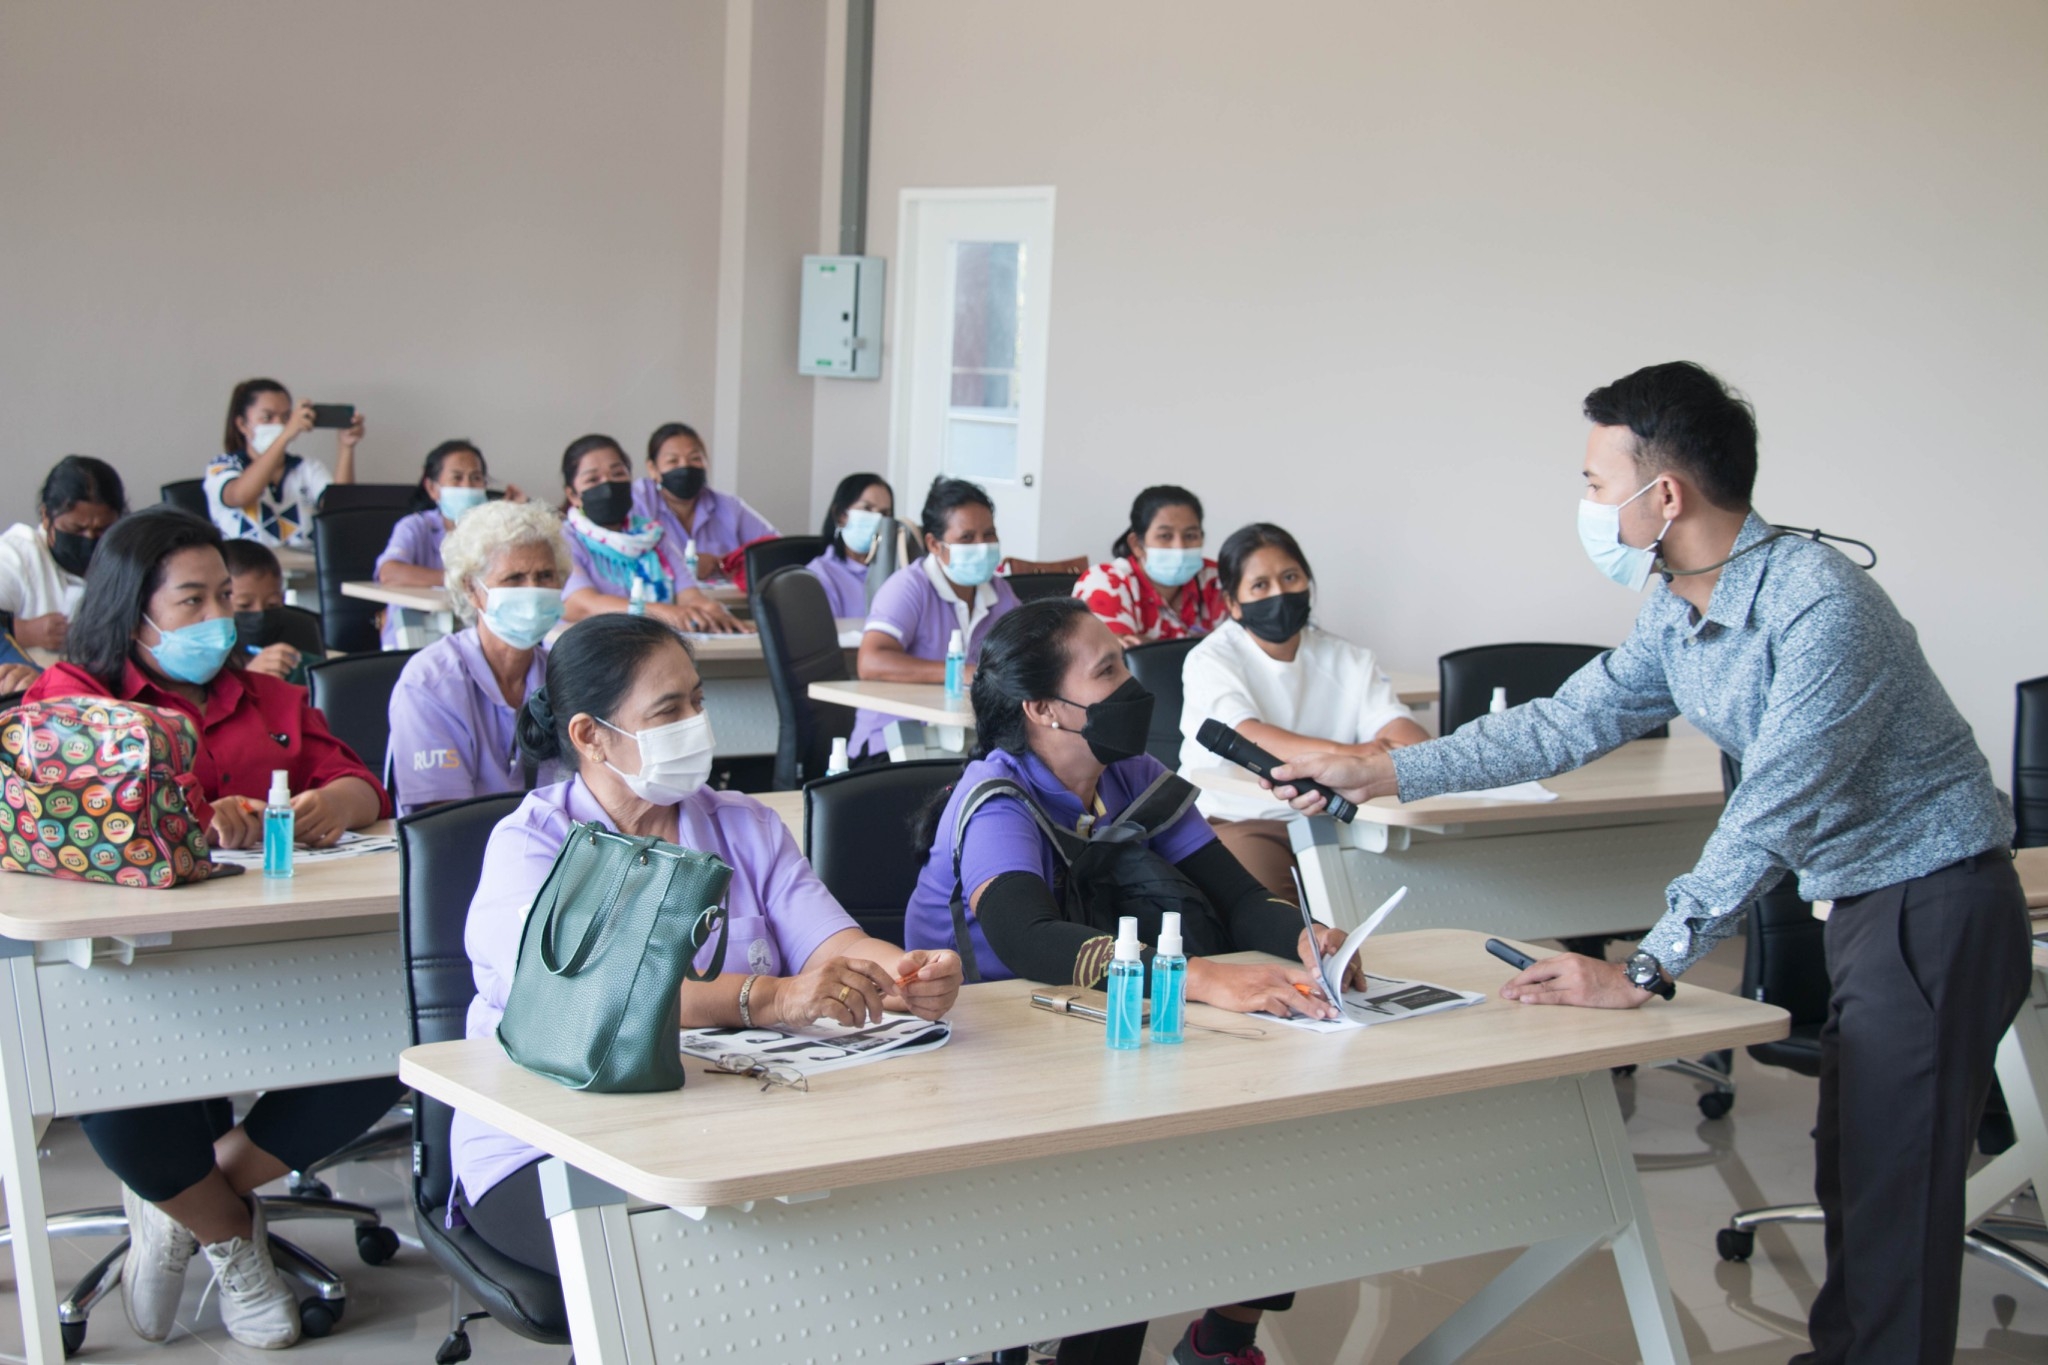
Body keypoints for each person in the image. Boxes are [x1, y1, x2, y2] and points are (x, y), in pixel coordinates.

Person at [1271, 362, 2030, 1365]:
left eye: (1595, 483)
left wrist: (1644, 966)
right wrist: (1380, 770)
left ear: (1662, 495)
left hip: (1933, 901)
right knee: (1858, 1171)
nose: (1586, 504)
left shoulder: (1820, 606)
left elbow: (1769, 810)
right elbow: (1564, 722)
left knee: (1896, 1191)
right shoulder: (1680, 605)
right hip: (1862, 905)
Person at [903, 599, 1353, 1365]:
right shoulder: (997, 798)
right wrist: (1196, 976)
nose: (1132, 684)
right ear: (1044, 708)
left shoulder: (1133, 777)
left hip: (1101, 1030)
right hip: (993, 1053)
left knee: (1276, 1132)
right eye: (1107, 670)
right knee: (1127, 1198)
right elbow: (1027, 937)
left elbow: (1240, 899)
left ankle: (1224, 1337)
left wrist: (1306, 938)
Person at [452, 614, 962, 1274]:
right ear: (589, 736)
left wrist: (905, 972)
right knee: (704, 1271)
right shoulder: (532, 845)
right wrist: (771, 997)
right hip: (552, 1142)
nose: (696, 722)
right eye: (669, 711)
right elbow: (601, 997)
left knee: (858, 1230)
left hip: (725, 1127)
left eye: (698, 700)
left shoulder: (745, 824)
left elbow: (832, 942)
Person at [24, 507, 398, 1350]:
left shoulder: (268, 695)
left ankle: (185, 1204)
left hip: (279, 943)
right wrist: (193, 817)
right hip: (134, 960)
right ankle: (229, 1233)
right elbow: (76, 817)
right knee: (110, 1057)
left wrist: (330, 804)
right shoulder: (74, 698)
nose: (217, 618)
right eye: (191, 600)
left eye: (223, 597)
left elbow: (359, 784)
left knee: (401, 1029)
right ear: (133, 609)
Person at [1177, 523, 1427, 902]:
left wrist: (1382, 752)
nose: (1279, 593)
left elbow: (1409, 737)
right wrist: (1356, 755)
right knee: (1280, 919)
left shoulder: (1349, 658)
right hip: (1241, 818)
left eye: (1290, 577)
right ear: (1233, 602)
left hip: (1339, 820)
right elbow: (1247, 737)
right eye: (1260, 585)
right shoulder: (1210, 659)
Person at [388, 499, 569, 816]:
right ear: (471, 589)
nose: (533, 590)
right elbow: (444, 822)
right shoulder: (430, 683)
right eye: (514, 578)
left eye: (545, 576)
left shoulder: (563, 675)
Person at [851, 476, 1021, 763]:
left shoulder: (1000, 592)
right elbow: (870, 661)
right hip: (892, 744)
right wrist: (961, 672)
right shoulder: (909, 587)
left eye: (989, 534)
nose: (982, 546)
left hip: (965, 743)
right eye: (967, 538)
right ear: (934, 544)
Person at [557, 434, 743, 634]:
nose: (608, 485)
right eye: (593, 479)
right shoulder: (564, 540)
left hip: (652, 644)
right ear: (573, 495)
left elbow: (688, 593)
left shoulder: (652, 536)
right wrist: (659, 613)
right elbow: (581, 605)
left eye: (618, 474)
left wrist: (709, 609)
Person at [373, 440, 526, 648]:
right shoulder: (415, 526)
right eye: (457, 478)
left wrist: (515, 517)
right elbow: (389, 572)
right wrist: (458, 580)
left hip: (477, 639)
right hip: (413, 637)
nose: (467, 486)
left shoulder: (494, 530)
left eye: (476, 478)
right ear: (432, 488)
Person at [204, 378, 361, 547]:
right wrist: (285, 436)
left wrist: (346, 447)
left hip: (305, 563)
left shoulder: (307, 467)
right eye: (267, 417)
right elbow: (239, 496)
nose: (279, 424)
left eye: (286, 417)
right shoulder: (223, 465)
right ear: (242, 424)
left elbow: (340, 510)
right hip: (246, 563)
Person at [0, 455, 126, 657]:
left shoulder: (127, 558)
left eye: (102, 530)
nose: (89, 538)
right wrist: (25, 632)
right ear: (45, 517)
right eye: (76, 529)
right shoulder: (17, 555)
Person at [1073, 485, 1227, 645]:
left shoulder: (1217, 578)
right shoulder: (1105, 582)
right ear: (1137, 545)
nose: (1180, 547)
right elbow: (1115, 653)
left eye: (1190, 536)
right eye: (1165, 536)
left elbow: (1242, 643)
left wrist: (1147, 647)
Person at [644, 421, 778, 583]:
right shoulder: (641, 504)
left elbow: (776, 550)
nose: (685, 466)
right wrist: (684, 565)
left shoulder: (728, 507)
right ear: (653, 469)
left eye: (695, 458)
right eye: (673, 461)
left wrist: (728, 565)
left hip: (727, 598)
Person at [803, 472, 894, 618]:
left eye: (884, 513)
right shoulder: (819, 577)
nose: (877, 519)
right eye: (867, 509)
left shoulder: (896, 572)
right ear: (841, 516)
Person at [221, 539, 309, 685]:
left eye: (272, 604)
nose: (259, 613)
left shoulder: (299, 637)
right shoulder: (205, 662)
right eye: (244, 605)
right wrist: (250, 679)